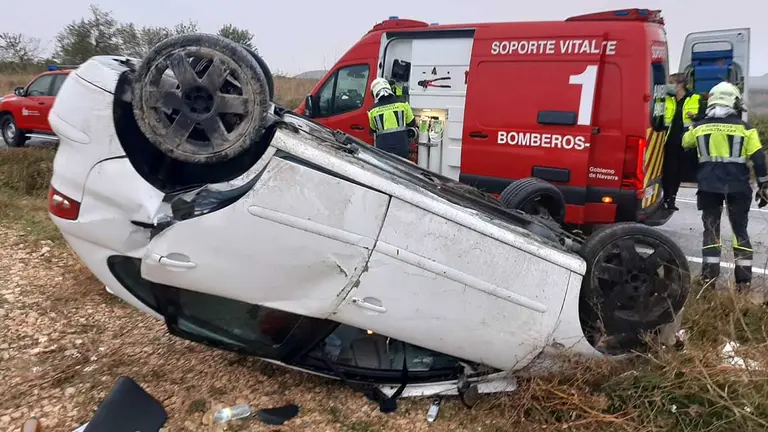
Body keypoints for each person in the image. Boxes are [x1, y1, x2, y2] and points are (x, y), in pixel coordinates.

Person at [682, 81, 768, 296]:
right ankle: (743, 284)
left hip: (708, 187)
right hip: (738, 187)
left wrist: (696, 119)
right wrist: (764, 184)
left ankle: (708, 282)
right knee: (740, 233)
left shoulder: (699, 127)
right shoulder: (746, 129)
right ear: (734, 103)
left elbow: (685, 143)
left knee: (711, 233)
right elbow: (758, 160)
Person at [662, 73, 704, 211]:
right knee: (667, 171)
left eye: (671, 82)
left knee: (678, 173)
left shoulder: (695, 98)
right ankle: (665, 198)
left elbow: (705, 117)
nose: (668, 85)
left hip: (685, 142)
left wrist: (696, 116)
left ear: (680, 84)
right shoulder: (666, 98)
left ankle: (671, 199)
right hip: (667, 140)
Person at [367, 77, 415, 158]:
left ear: (374, 92)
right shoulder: (403, 104)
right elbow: (412, 123)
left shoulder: (372, 111)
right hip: (402, 147)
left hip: (383, 149)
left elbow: (372, 129)